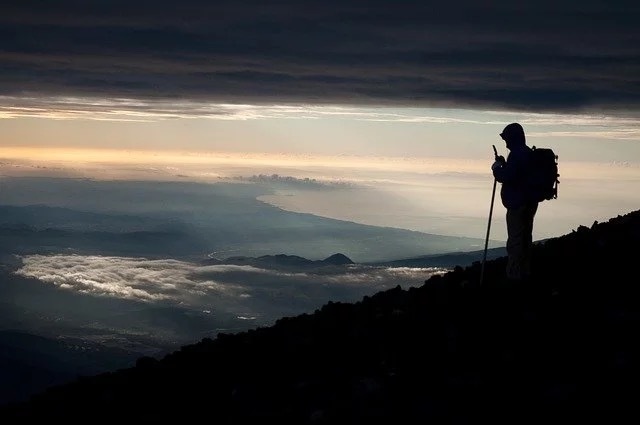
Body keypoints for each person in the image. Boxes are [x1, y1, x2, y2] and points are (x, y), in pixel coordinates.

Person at [491, 122, 538, 282]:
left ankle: (514, 276)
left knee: (516, 240)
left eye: (507, 139)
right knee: (525, 238)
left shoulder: (517, 154)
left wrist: (497, 168)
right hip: (529, 202)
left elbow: (506, 177)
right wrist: (505, 164)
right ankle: (525, 272)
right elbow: (518, 174)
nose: (506, 142)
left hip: (517, 204)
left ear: (514, 138)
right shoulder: (526, 153)